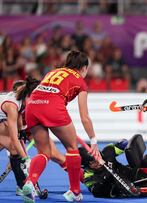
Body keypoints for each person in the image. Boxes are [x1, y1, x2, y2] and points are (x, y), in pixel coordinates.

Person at [22, 50, 101, 203]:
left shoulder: (53, 72)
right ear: (84, 68)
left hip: (32, 106)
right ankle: (74, 192)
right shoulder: (80, 81)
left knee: (44, 152)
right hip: (53, 108)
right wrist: (94, 141)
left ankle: (30, 183)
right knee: (72, 148)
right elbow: (84, 117)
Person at [0, 77, 39, 195]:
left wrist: (21, 129)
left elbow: (20, 114)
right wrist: (26, 159)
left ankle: (21, 186)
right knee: (14, 147)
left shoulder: (22, 96)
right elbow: (14, 138)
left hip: (2, 119)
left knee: (13, 149)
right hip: (2, 120)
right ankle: (21, 186)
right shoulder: (12, 106)